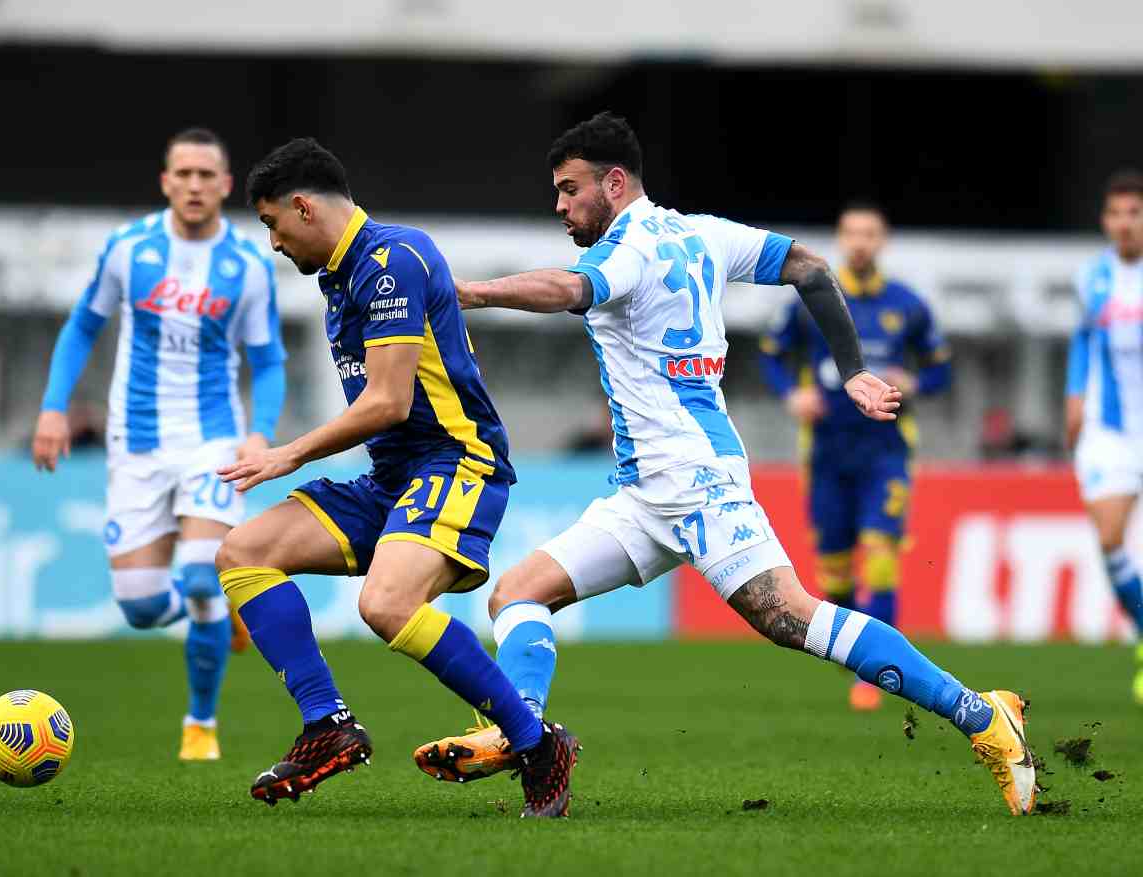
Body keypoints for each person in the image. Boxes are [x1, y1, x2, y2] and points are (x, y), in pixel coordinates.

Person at [414, 112, 1037, 817]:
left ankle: (982, 714)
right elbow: (810, 265)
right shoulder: (704, 232)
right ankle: (525, 736)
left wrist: (473, 292)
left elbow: (572, 290)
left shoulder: (630, 247)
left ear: (614, 183)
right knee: (517, 593)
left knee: (792, 617)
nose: (560, 206)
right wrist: (853, 369)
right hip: (647, 489)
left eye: (570, 189)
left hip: (695, 476)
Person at [213, 138, 578, 818]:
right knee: (243, 552)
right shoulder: (340, 278)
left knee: (385, 603)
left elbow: (388, 402)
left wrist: (289, 452)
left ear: (302, 205)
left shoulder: (390, 260)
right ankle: (328, 726)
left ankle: (536, 746)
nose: (273, 242)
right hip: (392, 479)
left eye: (271, 223)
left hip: (456, 463)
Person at [32, 128, 286, 761]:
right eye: (184, 174)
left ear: (225, 185)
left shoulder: (249, 264)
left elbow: (270, 360)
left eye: (207, 175)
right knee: (142, 608)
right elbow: (82, 326)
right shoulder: (128, 248)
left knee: (204, 574)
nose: (195, 185)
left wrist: (259, 432)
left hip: (212, 441)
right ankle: (219, 618)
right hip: (136, 442)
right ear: (166, 181)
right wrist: (53, 409)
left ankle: (199, 726)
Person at [759, 202, 951, 710]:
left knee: (882, 557)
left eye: (869, 233)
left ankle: (883, 673)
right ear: (842, 239)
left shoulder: (907, 304)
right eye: (852, 233)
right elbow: (772, 355)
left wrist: (915, 381)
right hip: (826, 453)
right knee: (836, 572)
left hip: (885, 451)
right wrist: (791, 395)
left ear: (882, 240)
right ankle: (860, 658)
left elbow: (939, 370)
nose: (860, 242)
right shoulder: (812, 300)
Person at [1065, 169, 1143, 703]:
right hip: (1111, 430)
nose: (1125, 224)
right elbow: (1082, 340)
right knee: (1111, 539)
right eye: (1116, 214)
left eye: (1134, 213)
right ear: (1105, 220)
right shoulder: (1092, 277)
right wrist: (1074, 398)